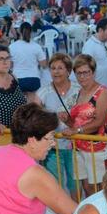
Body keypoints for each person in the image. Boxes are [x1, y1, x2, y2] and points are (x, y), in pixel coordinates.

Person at [62, 54, 107, 197]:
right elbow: (75, 121)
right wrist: (66, 120)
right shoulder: (79, 92)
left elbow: (99, 122)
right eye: (79, 73)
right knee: (86, 185)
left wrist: (76, 130)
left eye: (86, 72)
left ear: (93, 72)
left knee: (99, 187)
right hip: (79, 146)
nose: (82, 77)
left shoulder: (103, 92)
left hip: (98, 146)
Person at [38, 53, 79, 196]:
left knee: (76, 186)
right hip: (52, 147)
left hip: (75, 146)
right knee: (55, 186)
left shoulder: (78, 90)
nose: (56, 71)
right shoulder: (44, 92)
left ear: (68, 71)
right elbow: (33, 115)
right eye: (53, 68)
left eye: (60, 68)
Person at [9, 22, 46, 96]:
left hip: (17, 79)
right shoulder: (36, 46)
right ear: (31, 31)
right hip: (34, 79)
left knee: (19, 104)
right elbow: (44, 65)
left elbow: (10, 66)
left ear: (19, 31)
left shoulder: (12, 46)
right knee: (32, 104)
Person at [81, 18, 107, 90]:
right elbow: (85, 67)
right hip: (96, 88)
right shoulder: (89, 46)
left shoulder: (105, 43)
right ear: (100, 30)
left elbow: (104, 59)